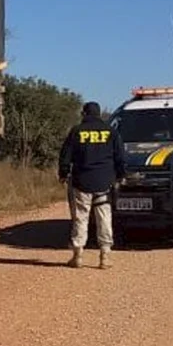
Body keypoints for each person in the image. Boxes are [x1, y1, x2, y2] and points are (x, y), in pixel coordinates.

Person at [58, 101, 126, 269]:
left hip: (82, 181)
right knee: (104, 217)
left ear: (84, 114)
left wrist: (63, 174)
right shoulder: (111, 132)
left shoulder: (76, 131)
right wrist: (120, 176)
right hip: (104, 182)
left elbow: (65, 156)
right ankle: (104, 256)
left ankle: (78, 255)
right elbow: (119, 157)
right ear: (99, 114)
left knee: (81, 217)